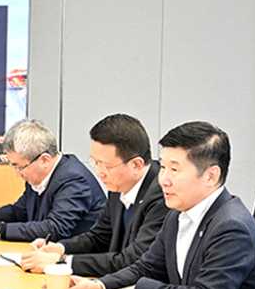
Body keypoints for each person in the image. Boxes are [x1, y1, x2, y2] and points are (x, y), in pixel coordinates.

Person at [69, 121, 255, 289]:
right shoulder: (177, 214)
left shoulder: (231, 227)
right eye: (163, 167)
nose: (163, 180)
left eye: (174, 169)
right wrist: (100, 286)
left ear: (211, 176)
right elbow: (148, 267)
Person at [18, 113, 167, 278]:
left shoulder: (162, 196)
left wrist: (62, 261)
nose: (99, 172)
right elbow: (99, 236)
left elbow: (132, 260)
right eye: (95, 162)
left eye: (106, 166)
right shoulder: (119, 184)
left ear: (136, 164)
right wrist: (60, 248)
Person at [0, 118, 102, 243]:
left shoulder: (74, 180)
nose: (17, 174)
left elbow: (55, 228)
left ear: (44, 160)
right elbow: (19, 212)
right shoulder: (38, 174)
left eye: (20, 167)